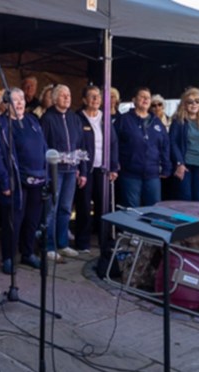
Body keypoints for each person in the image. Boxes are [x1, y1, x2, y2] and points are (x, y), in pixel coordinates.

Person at [0, 88, 46, 273]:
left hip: (37, 179)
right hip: (16, 181)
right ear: (7, 104)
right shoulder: (1, 125)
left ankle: (27, 253)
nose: (19, 103)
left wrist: (46, 173)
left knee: (32, 220)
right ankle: (9, 257)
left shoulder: (32, 121)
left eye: (21, 99)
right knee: (13, 222)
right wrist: (4, 181)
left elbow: (43, 146)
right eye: (15, 100)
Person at [39, 84, 85, 261]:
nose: (67, 98)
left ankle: (63, 243)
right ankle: (49, 246)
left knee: (66, 208)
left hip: (71, 170)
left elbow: (80, 144)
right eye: (63, 95)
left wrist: (81, 169)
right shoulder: (47, 118)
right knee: (51, 208)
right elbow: (42, 145)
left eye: (69, 95)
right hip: (54, 171)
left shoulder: (74, 118)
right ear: (54, 98)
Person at [75, 85, 119, 252]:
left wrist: (113, 167)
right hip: (86, 169)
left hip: (103, 169)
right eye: (92, 96)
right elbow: (76, 144)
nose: (96, 99)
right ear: (84, 100)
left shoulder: (105, 117)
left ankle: (105, 241)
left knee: (104, 206)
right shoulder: (78, 118)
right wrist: (79, 168)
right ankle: (82, 243)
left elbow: (113, 143)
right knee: (84, 207)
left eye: (98, 96)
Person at [114, 87, 171, 207]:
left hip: (152, 174)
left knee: (154, 209)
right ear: (134, 100)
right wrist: (115, 165)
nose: (145, 99)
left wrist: (166, 166)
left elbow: (165, 146)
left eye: (148, 97)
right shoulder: (123, 120)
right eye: (142, 96)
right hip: (130, 173)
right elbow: (113, 144)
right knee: (131, 210)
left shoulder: (156, 122)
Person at [169, 87, 199, 201]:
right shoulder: (178, 121)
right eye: (190, 102)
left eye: (197, 101)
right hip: (184, 166)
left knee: (198, 199)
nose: (194, 104)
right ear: (184, 104)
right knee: (185, 197)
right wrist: (179, 163)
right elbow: (173, 143)